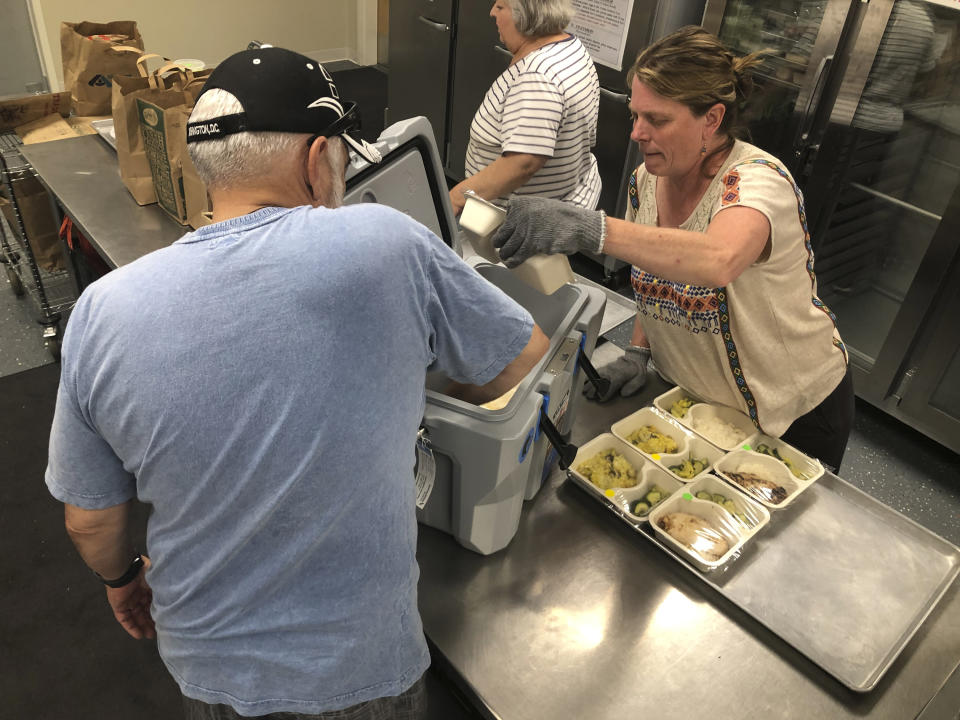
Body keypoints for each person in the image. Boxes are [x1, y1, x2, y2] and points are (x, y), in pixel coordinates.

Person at [45, 47, 548, 719]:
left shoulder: (100, 312)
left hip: (210, 665)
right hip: (358, 669)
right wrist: (401, 381)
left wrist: (121, 579)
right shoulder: (387, 243)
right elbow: (518, 358)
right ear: (318, 159)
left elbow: (89, 521)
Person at [490, 26, 855, 471]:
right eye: (634, 115)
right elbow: (656, 266)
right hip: (700, 403)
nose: (637, 133)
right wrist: (639, 351)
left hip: (792, 408)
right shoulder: (648, 181)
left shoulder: (758, 182)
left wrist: (590, 228)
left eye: (657, 120)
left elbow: (717, 259)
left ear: (712, 119)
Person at [447, 0, 601, 215]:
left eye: (501, 7)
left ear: (526, 15)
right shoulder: (570, 47)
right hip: (562, 199)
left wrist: (456, 197)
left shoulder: (539, 77)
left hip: (516, 222)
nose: (492, 12)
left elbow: (523, 163)